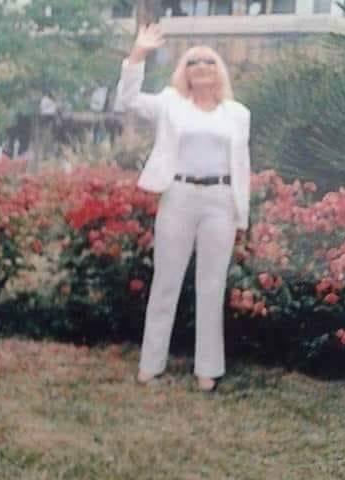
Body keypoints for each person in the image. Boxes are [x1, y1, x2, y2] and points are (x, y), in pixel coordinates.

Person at [114, 24, 251, 392]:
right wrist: (138, 54)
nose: (201, 66)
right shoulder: (170, 104)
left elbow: (242, 167)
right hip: (178, 195)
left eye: (209, 61)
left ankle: (208, 368)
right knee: (166, 280)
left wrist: (240, 213)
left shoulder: (238, 114)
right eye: (193, 61)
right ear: (184, 72)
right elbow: (127, 99)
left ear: (219, 70)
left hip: (219, 201)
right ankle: (151, 363)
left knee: (211, 284)